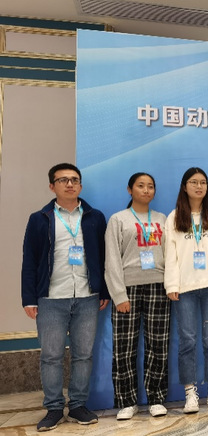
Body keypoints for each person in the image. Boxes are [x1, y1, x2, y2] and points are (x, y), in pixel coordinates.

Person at [21, 163, 109, 432]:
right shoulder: (40, 218)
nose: (70, 184)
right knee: (51, 356)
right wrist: (29, 298)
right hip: (51, 298)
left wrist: (103, 291)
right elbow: (30, 260)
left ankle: (79, 405)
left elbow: (103, 257)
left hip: (87, 296)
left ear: (80, 185)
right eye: (63, 180)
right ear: (52, 186)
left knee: (83, 355)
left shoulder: (94, 217)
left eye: (74, 180)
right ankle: (54, 408)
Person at [164, 167, 208, 414]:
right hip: (185, 288)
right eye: (193, 182)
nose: (199, 186)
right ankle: (190, 393)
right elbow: (170, 255)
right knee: (187, 341)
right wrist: (172, 285)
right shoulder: (174, 217)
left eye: (203, 182)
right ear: (184, 187)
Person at [105, 172, 171, 420]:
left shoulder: (162, 219)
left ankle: (156, 398)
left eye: (150, 186)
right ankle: (126, 401)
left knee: (158, 345)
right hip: (127, 289)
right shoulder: (118, 219)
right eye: (140, 186)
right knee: (124, 347)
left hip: (158, 286)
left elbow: (170, 254)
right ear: (129, 189)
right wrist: (118, 294)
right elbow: (112, 259)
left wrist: (170, 284)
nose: (146, 190)